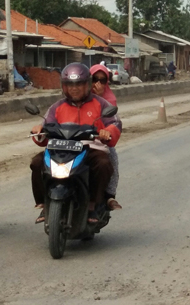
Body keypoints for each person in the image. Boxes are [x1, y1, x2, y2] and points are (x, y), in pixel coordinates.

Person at [29, 63, 121, 224]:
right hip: (60, 148)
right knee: (37, 162)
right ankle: (43, 202)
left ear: (87, 84)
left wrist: (108, 131)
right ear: (64, 87)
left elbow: (115, 123)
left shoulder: (101, 104)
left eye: (79, 84)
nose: (74, 88)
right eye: (70, 85)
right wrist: (39, 130)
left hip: (90, 148)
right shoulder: (57, 107)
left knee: (103, 163)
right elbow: (46, 127)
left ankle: (94, 204)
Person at [90, 64, 122, 211]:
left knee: (111, 160)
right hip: (77, 140)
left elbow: (113, 122)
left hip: (99, 140)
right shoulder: (79, 96)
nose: (98, 83)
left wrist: (100, 97)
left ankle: (109, 195)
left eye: (102, 80)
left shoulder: (108, 100)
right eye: (94, 79)